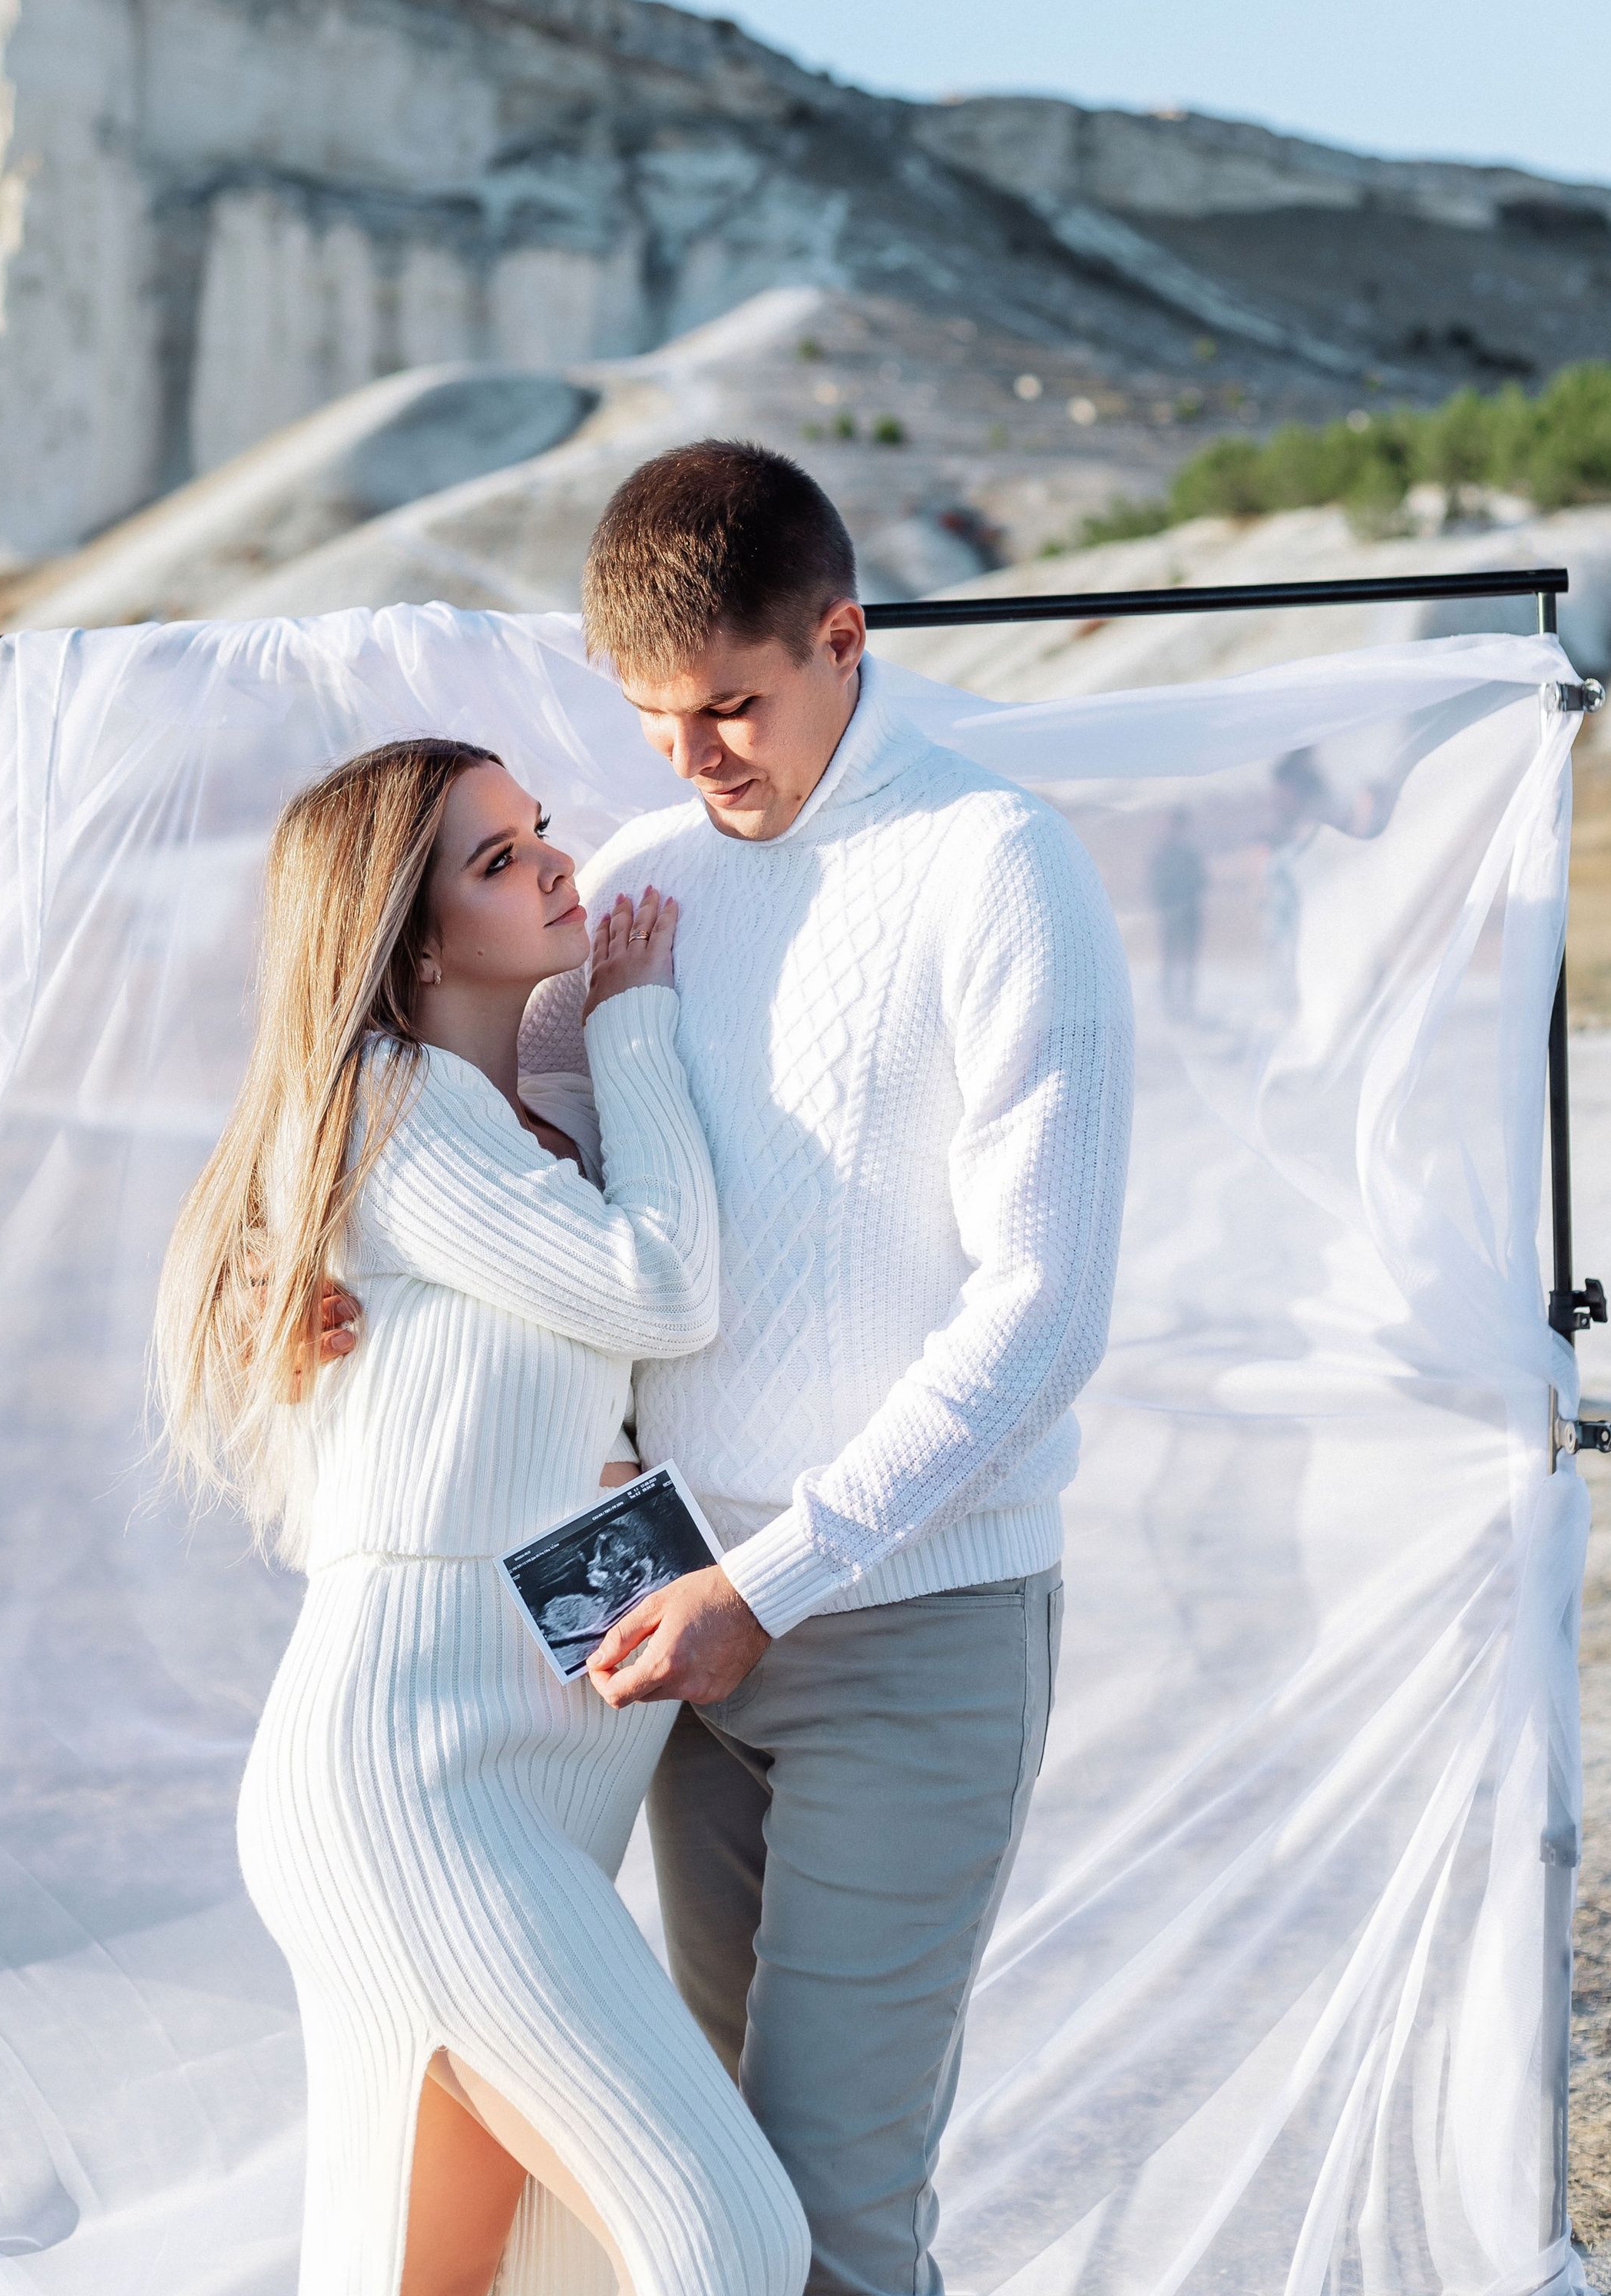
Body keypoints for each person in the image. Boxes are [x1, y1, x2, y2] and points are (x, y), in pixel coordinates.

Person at [520, 441, 1136, 2296]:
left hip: (908, 1619)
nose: (694, 755)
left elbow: (1041, 1314)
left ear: (842, 635)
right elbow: (551, 1209)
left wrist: (764, 1584)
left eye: (731, 703)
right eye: (650, 718)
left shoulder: (994, 862)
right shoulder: (632, 884)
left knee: (836, 2205)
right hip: (671, 1617)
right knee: (715, 2192)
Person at [151, 737, 809, 2296]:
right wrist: (635, 1023)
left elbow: (528, 1442)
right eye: (498, 859)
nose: (556, 866)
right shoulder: (389, 1099)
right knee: (726, 2243)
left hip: (499, 1789)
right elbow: (661, 1282)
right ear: (413, 930)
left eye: (542, 832)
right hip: (417, 1788)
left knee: (464, 2281)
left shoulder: (509, 1143)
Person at [1147, 804, 1207, 1020]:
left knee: (1189, 963)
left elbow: (1202, 881)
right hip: (1170, 916)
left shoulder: (1190, 854)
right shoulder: (1161, 854)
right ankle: (1170, 1005)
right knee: (1169, 962)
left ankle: (1187, 1004)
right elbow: (1153, 885)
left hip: (1190, 915)